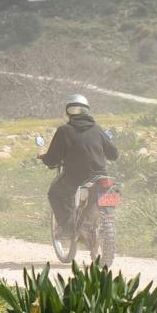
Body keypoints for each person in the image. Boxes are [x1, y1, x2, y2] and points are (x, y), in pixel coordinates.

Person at [41, 94, 118, 235]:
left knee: (55, 194)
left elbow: (51, 160)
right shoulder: (97, 129)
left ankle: (68, 229)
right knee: (108, 193)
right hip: (100, 177)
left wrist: (44, 157)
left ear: (68, 112)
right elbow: (114, 155)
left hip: (75, 177)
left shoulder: (64, 130)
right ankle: (96, 224)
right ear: (87, 110)